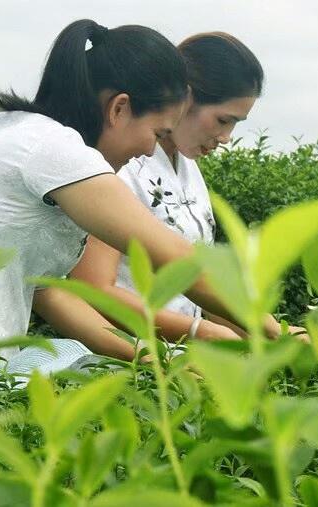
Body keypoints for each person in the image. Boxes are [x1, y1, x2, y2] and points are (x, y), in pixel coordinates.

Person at [0, 20, 283, 368]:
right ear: (119, 108)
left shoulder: (26, 140)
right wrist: (273, 331)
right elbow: (177, 258)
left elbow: (51, 293)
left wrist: (150, 359)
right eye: (157, 134)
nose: (150, 152)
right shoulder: (52, 148)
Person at [63, 32, 265, 345]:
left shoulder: (188, 169)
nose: (227, 137)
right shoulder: (121, 162)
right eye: (224, 120)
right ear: (187, 99)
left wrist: (267, 332)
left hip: (183, 361)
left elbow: (200, 287)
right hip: (127, 358)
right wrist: (197, 332)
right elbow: (94, 288)